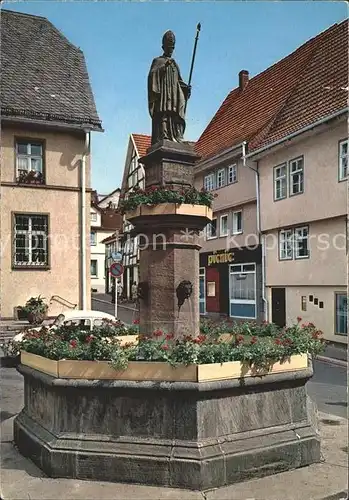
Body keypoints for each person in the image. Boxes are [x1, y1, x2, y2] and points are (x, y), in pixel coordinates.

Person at [148, 30, 191, 145]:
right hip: (163, 96)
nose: (171, 50)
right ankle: (164, 135)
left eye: (172, 48)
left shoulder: (174, 63)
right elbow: (152, 76)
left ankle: (176, 135)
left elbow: (179, 81)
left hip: (173, 96)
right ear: (163, 47)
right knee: (164, 113)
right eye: (169, 47)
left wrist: (185, 88)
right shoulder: (158, 61)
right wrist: (163, 68)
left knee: (173, 114)